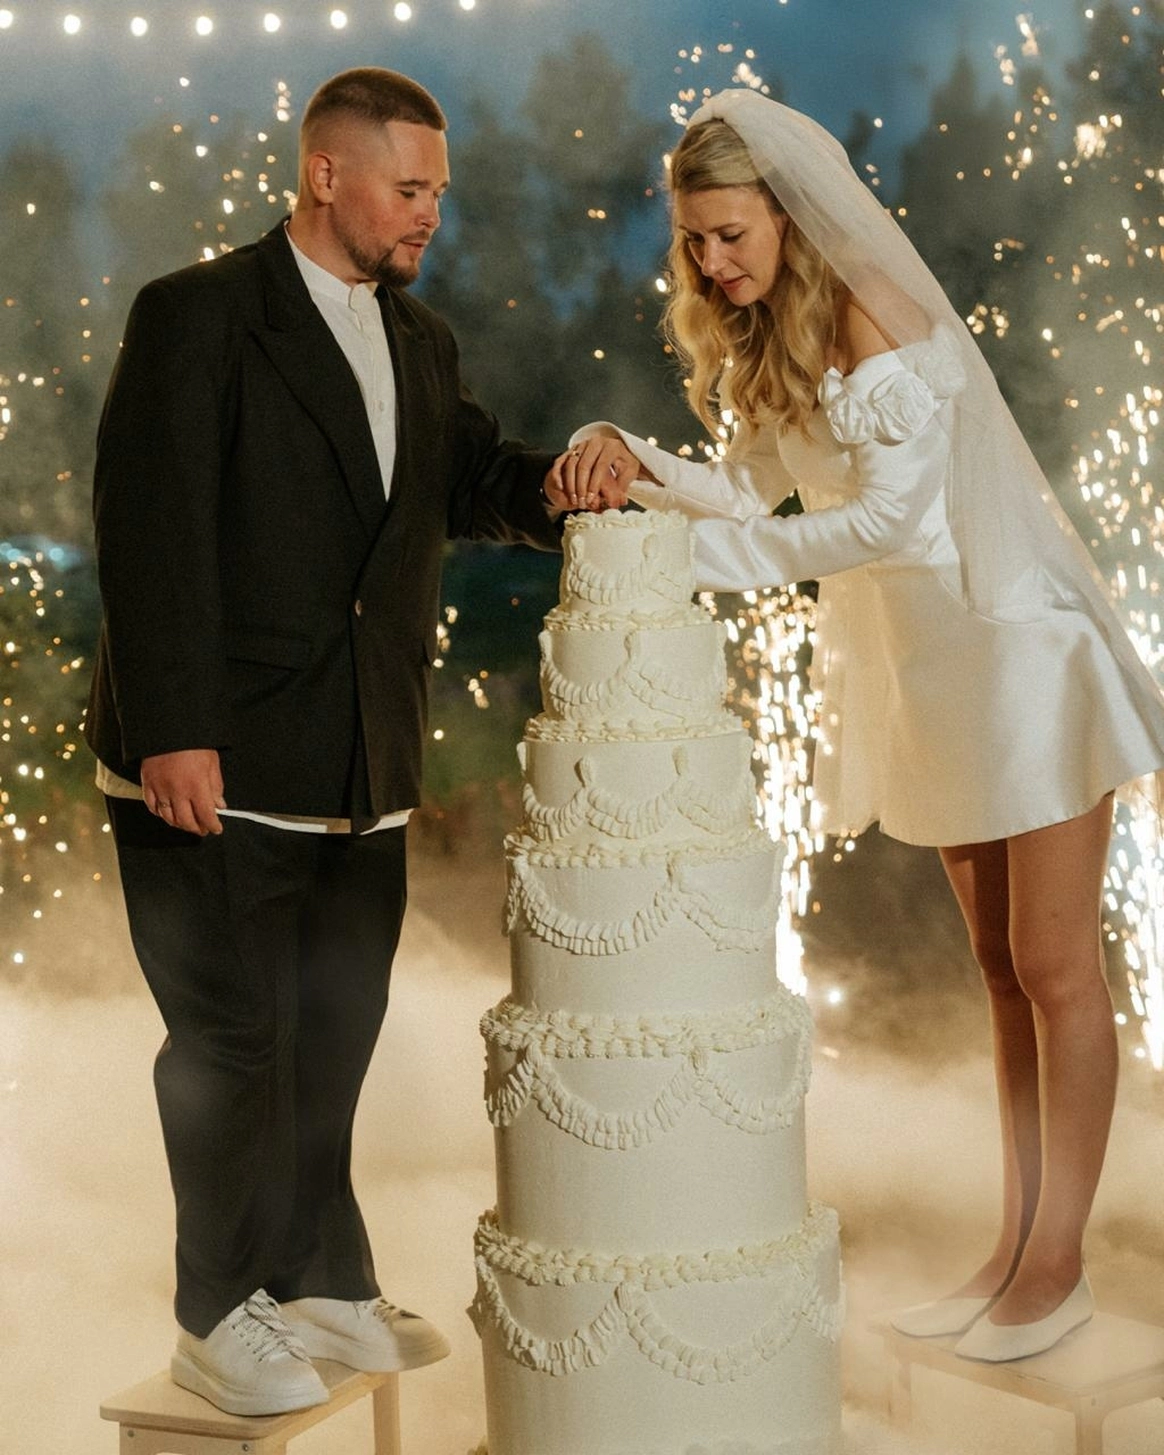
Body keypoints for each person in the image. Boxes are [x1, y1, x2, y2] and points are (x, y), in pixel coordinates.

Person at [555, 87, 1164, 1364]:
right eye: (694, 241)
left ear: (788, 213)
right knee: (998, 971)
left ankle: (1060, 1269)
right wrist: (628, 456)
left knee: (1056, 971)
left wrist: (709, 563)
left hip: (1015, 657)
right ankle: (1013, 1250)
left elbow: (886, 520)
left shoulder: (869, 311)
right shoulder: (770, 339)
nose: (711, 262)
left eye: (731, 234)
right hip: (927, 674)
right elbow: (748, 491)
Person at [85, 67, 619, 1417]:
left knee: (332, 1034)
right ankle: (215, 1314)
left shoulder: (421, 339)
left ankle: (318, 1274)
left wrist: (574, 475)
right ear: (328, 174)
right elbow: (149, 531)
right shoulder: (197, 314)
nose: (432, 212)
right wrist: (175, 732)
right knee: (230, 1047)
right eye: (412, 187)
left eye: (439, 191)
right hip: (213, 761)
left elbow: (472, 477)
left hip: (360, 763)